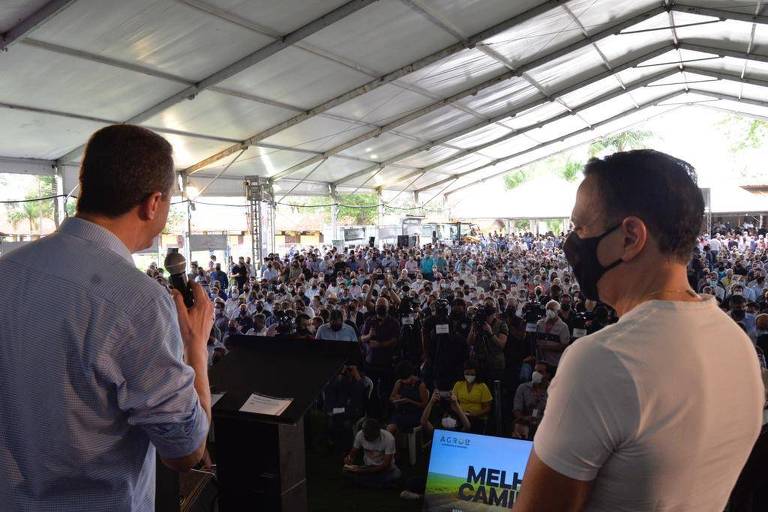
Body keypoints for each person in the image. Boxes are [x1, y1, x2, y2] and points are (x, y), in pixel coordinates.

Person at [515, 150, 764, 511]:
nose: (571, 243)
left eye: (580, 228)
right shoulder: (737, 343)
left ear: (630, 236)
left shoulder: (602, 361)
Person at [0, 125, 212, 511]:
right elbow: (185, 452)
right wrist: (195, 348)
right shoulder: (138, 301)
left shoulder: (7, 271)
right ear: (153, 204)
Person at [343, 418, 401, 488]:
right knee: (346, 472)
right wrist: (349, 459)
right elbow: (353, 452)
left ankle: (365, 482)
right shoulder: (360, 435)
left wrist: (362, 471)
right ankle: (380, 484)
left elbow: (386, 464)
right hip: (368, 466)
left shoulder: (389, 438)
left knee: (396, 475)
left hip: (385, 469)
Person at [387, 361, 429, 436]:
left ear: (411, 375)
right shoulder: (399, 382)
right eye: (403, 380)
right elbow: (391, 397)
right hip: (401, 411)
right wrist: (396, 399)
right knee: (390, 428)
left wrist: (409, 401)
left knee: (394, 426)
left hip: (415, 413)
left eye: (407, 379)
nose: (405, 381)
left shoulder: (420, 385)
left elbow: (424, 405)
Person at [451, 361, 493, 433]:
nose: (469, 376)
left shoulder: (482, 386)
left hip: (478, 418)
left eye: (472, 374)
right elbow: (453, 404)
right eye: (467, 374)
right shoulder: (458, 384)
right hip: (460, 417)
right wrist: (460, 413)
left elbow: (488, 407)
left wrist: (477, 414)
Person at [535, 299, 570, 367]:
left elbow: (564, 346)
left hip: (554, 363)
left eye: (552, 309)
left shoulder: (563, 327)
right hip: (540, 362)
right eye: (548, 309)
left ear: (558, 311)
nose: (549, 311)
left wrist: (547, 347)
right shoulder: (540, 324)